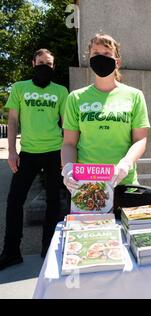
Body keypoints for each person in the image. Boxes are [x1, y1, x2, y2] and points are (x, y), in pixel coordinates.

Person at [1, 49, 68, 270]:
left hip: (53, 152)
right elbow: (12, 121)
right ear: (33, 63)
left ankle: (48, 248)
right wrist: (12, 150)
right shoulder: (20, 88)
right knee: (14, 201)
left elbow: (66, 124)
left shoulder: (61, 91)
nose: (44, 67)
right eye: (40, 63)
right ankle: (11, 252)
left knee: (53, 202)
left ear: (53, 66)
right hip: (28, 153)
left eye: (48, 64)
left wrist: (65, 155)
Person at [61, 34, 150, 199]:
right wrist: (68, 168)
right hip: (85, 184)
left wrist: (126, 163)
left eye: (107, 53)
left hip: (123, 182)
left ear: (117, 61)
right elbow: (69, 143)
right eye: (96, 53)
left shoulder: (134, 96)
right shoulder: (75, 97)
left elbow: (140, 140)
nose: (101, 58)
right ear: (90, 59)